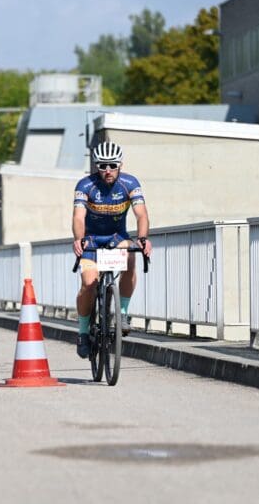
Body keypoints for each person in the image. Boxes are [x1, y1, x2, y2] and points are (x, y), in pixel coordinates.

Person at [72, 140, 153, 358]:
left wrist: (143, 238)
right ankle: (82, 332)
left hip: (117, 238)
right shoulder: (85, 185)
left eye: (112, 166)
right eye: (102, 166)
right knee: (89, 283)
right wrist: (79, 239)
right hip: (91, 240)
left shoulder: (130, 183)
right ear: (96, 166)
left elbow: (141, 214)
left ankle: (123, 313)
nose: (107, 171)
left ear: (120, 165)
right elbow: (78, 217)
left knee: (130, 254)